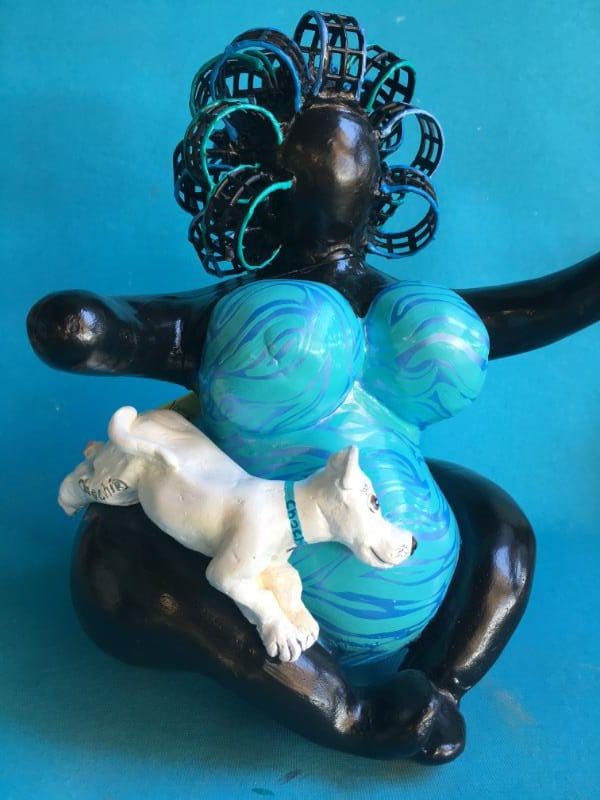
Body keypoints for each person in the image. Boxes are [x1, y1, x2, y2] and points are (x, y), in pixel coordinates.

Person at [27, 12, 599, 764]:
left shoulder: (401, 304)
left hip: (390, 546)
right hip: (233, 565)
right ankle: (349, 713)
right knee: (121, 544)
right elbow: (127, 331)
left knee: (499, 524)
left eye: (356, 145)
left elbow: (540, 308)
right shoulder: (224, 312)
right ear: (261, 171)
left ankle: (440, 684)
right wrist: (94, 328)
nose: (341, 162)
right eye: (317, 148)